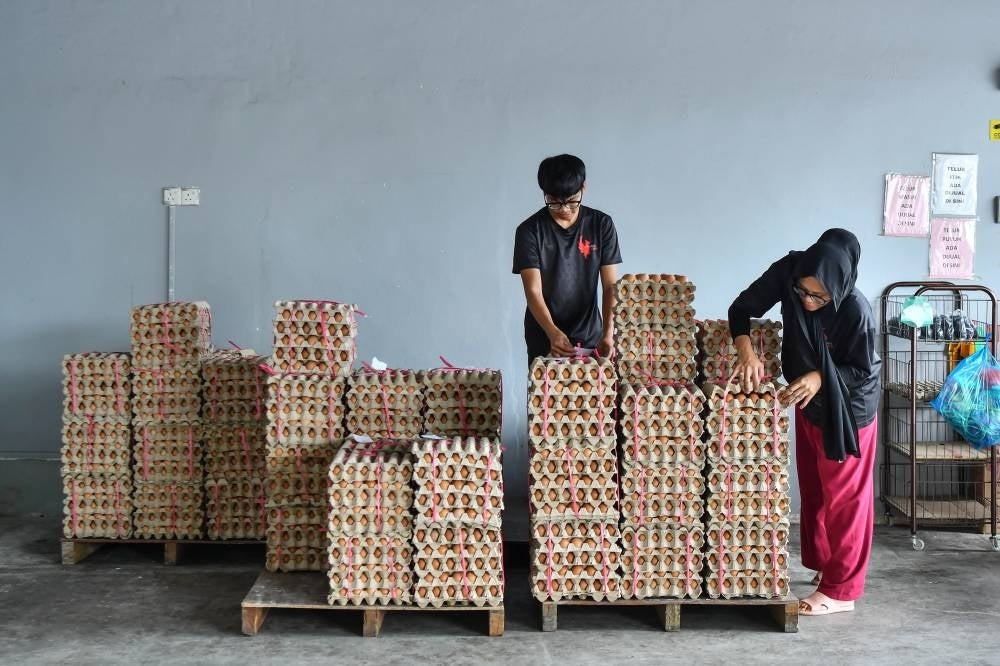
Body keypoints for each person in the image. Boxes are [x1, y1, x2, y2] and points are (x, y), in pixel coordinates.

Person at [728, 228, 881, 617]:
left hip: (848, 407)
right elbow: (741, 309)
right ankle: (824, 566)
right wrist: (746, 352)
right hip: (806, 398)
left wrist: (820, 377)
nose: (809, 302)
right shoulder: (790, 271)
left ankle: (842, 591)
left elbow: (861, 371)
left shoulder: (855, 311)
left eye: (819, 297)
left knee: (847, 499)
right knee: (814, 488)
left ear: (839, 288)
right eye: (803, 293)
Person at [512, 154, 622, 363]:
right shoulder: (529, 231)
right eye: (554, 202)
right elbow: (533, 291)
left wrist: (609, 332)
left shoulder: (601, 224)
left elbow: (610, 286)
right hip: (544, 335)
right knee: (545, 395)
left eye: (572, 201)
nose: (564, 209)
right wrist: (552, 332)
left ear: (583, 188)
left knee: (595, 394)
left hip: (591, 335)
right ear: (545, 193)